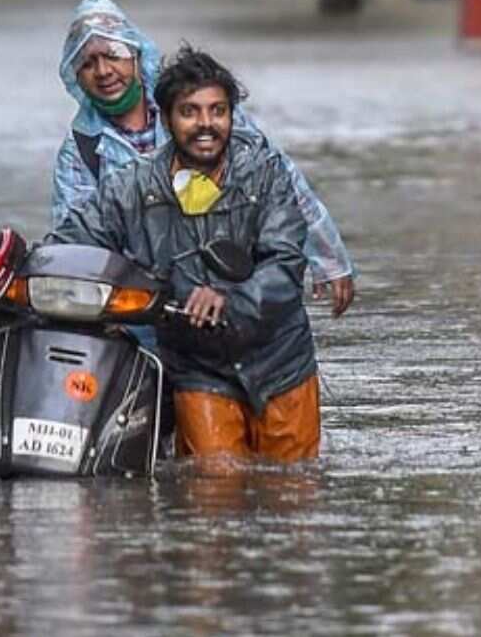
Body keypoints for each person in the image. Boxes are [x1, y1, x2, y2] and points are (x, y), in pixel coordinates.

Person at [51, 46, 320, 461]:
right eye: (190, 112)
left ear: (231, 115)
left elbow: (285, 264)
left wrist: (230, 299)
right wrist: (17, 269)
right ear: (167, 118)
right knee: (212, 494)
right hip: (197, 368)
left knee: (294, 493)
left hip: (280, 362)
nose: (206, 124)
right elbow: (71, 242)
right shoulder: (132, 188)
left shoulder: (265, 174)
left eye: (218, 111)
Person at [52, 0, 355, 317]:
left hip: (231, 284)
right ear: (76, 77)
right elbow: (75, 237)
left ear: (137, 56)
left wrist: (329, 259)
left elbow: (282, 186)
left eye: (113, 54)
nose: (103, 71)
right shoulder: (80, 150)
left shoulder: (201, 109)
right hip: (143, 302)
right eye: (87, 63)